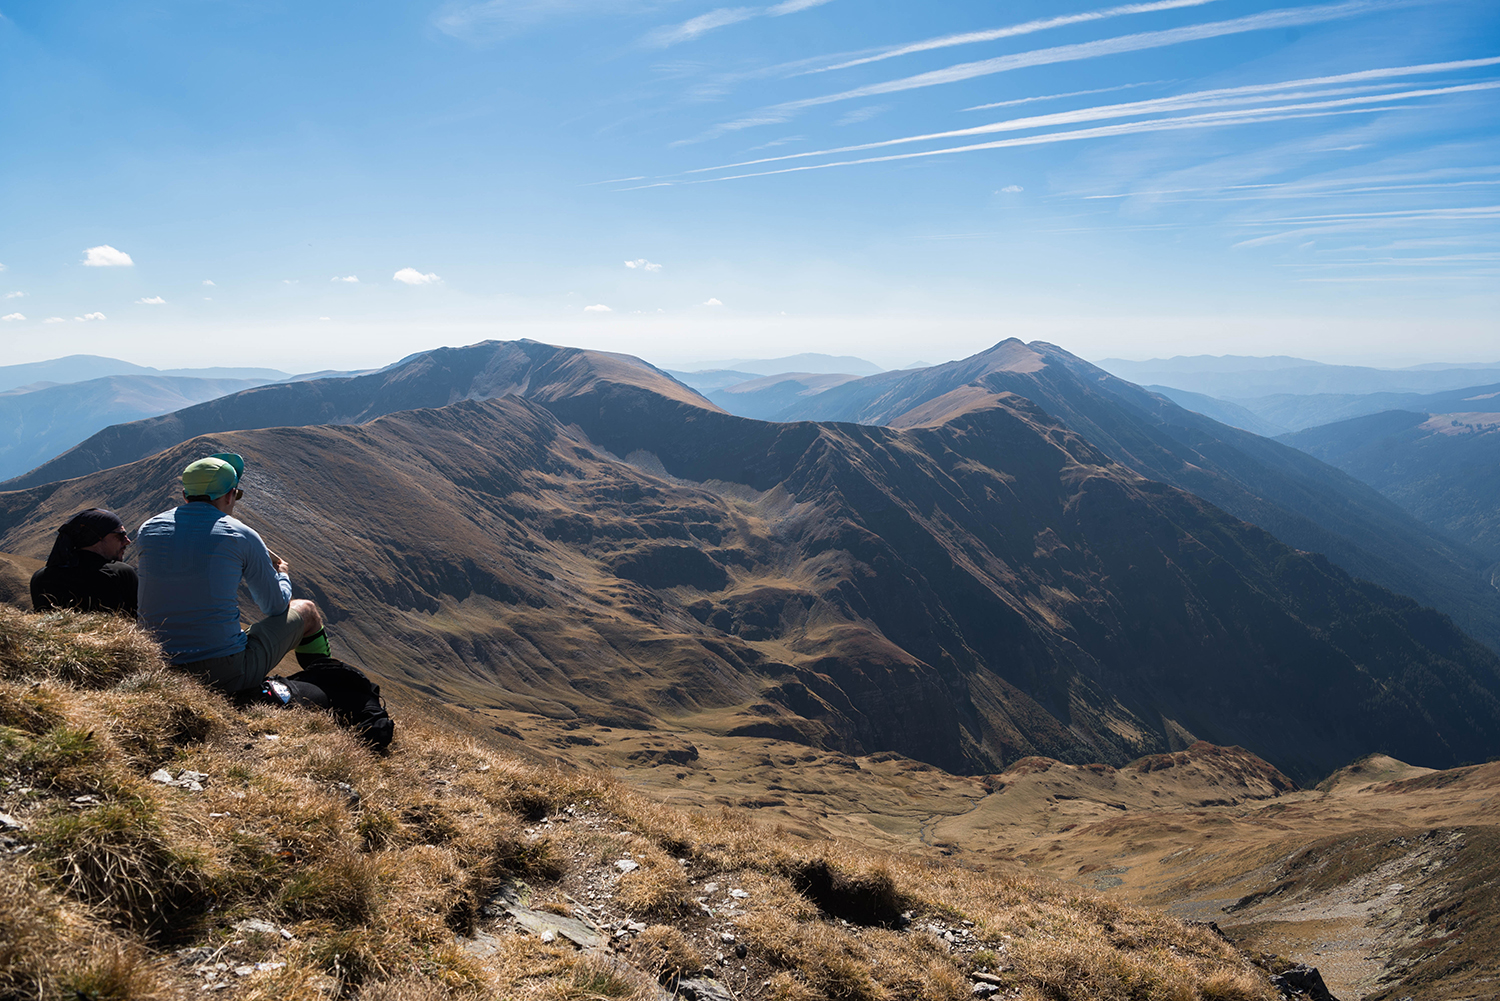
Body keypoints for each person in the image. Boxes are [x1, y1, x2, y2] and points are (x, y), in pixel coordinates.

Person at [135, 452, 331, 694]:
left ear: (185, 496)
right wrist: (282, 574)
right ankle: (329, 681)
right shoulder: (241, 535)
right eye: (237, 494)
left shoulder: (148, 529)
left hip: (155, 664)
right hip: (222, 673)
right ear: (229, 496)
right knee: (307, 611)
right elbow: (276, 607)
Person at [30, 508, 139, 615]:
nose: (127, 541)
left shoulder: (41, 577)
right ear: (96, 538)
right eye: (120, 535)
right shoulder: (120, 574)